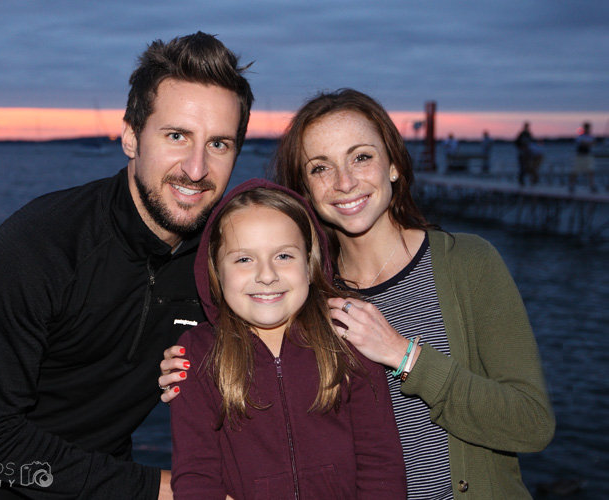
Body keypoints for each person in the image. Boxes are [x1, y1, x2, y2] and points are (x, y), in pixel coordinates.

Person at [160, 89, 555, 500]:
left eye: (361, 157)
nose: (345, 182)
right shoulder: (301, 294)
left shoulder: (468, 264)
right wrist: (192, 367)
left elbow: (532, 424)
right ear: (304, 191)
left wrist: (406, 357)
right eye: (320, 168)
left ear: (395, 165)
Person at [0, 32, 253, 500]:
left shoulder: (221, 259)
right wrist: (161, 489)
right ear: (130, 136)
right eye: (177, 136)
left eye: (219, 144)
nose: (197, 168)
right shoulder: (38, 247)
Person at [169, 179, 406, 499]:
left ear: (310, 266)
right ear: (216, 271)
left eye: (283, 256)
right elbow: (196, 476)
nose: (266, 275)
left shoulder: (347, 338)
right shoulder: (197, 355)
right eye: (243, 259)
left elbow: (380, 463)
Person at [569, 122, 597, 193]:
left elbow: (592, 143)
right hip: (579, 156)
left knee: (591, 171)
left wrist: (587, 143)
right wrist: (588, 143)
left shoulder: (590, 136)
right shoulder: (580, 136)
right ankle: (572, 186)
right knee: (575, 171)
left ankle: (592, 186)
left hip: (587, 155)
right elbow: (583, 143)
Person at [515, 121, 533, 186]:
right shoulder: (522, 134)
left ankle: (529, 181)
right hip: (522, 153)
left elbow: (531, 143)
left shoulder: (528, 134)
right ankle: (521, 181)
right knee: (522, 167)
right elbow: (517, 143)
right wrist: (521, 148)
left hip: (527, 153)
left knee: (528, 166)